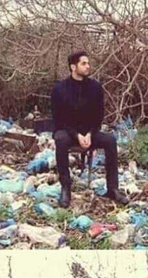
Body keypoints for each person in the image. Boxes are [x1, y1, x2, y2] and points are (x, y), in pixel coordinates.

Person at [51, 51, 128, 208]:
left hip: (89, 132)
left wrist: (90, 134)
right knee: (60, 139)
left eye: (88, 63)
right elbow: (58, 119)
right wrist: (77, 135)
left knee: (110, 140)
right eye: (83, 63)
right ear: (73, 67)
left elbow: (98, 116)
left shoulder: (95, 88)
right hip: (68, 132)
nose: (88, 66)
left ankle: (112, 189)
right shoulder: (59, 89)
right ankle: (66, 188)